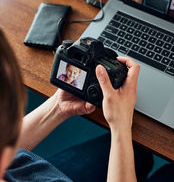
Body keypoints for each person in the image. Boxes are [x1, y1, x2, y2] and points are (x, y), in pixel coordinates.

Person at [0, 29, 142, 182]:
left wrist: (57, 108)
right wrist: (121, 126)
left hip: (27, 170)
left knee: (139, 153)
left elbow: (6, 142)